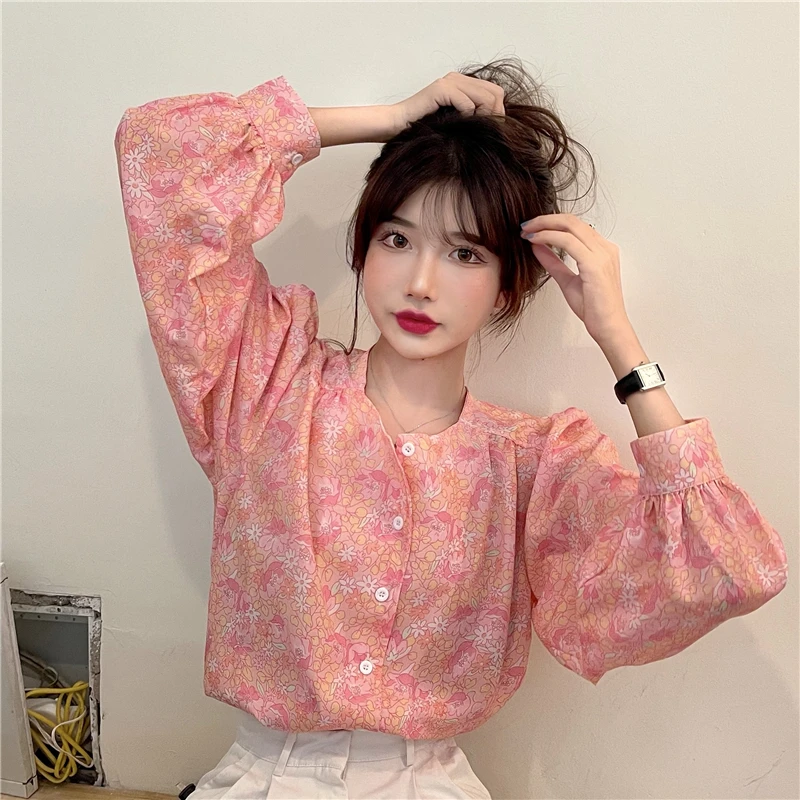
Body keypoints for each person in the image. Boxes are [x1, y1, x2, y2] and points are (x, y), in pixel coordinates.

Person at [114, 58, 788, 799]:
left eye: (465, 253)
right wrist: (388, 121)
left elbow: (728, 567)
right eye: (397, 239)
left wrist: (617, 338)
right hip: (263, 781)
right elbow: (159, 152)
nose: (421, 282)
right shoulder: (266, 384)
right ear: (364, 248)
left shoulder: (532, 467)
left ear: (506, 285)